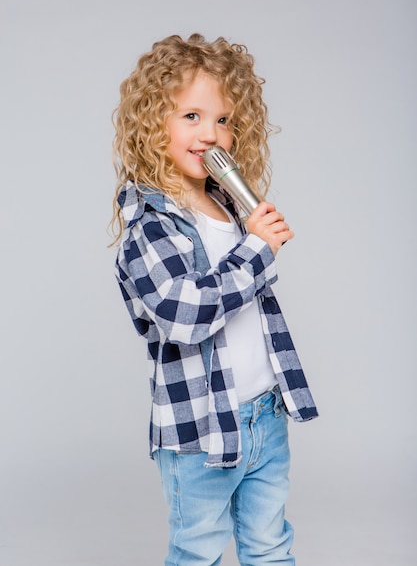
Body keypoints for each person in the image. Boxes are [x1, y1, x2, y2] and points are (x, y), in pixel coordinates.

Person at [111, 33, 318, 565]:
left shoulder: (231, 208)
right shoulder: (149, 227)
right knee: (198, 550)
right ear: (153, 124)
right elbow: (185, 314)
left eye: (224, 120)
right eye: (192, 117)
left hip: (263, 416)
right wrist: (256, 250)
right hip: (199, 432)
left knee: (271, 543)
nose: (211, 134)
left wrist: (252, 238)